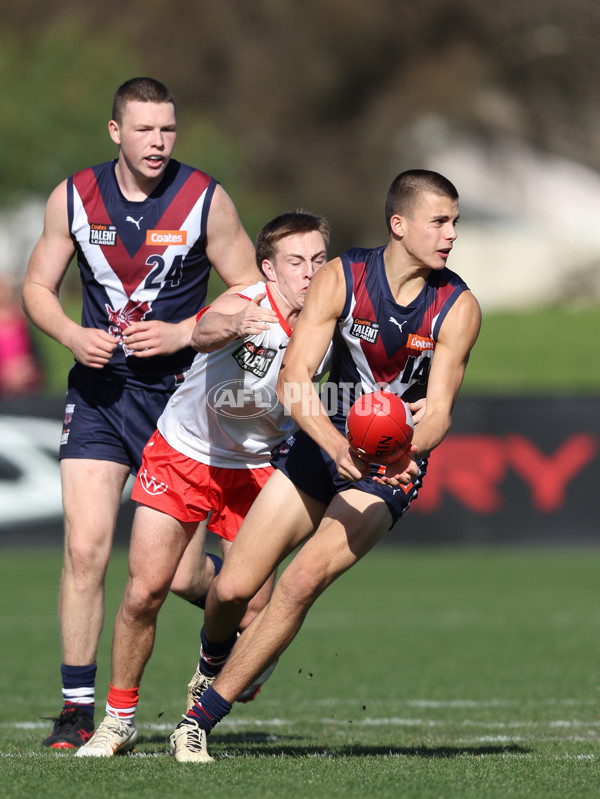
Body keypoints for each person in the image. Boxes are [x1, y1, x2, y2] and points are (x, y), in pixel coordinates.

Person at [166, 168, 482, 763]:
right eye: (439, 221)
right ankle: (212, 664)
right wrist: (335, 447)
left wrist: (407, 451)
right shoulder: (343, 278)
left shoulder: (458, 307)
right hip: (321, 441)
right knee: (233, 586)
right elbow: (294, 379)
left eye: (454, 223)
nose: (450, 235)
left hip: (391, 466)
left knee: (301, 582)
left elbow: (439, 411)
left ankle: (197, 722)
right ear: (399, 224)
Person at [21, 77, 261, 749]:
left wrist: (185, 332)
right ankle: (75, 707)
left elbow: (253, 295)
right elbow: (36, 288)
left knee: (180, 575)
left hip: (179, 404)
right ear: (115, 132)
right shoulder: (72, 197)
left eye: (168, 130)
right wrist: (72, 336)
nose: (159, 142)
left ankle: (241, 614)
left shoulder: (205, 200)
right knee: (85, 546)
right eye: (146, 129)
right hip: (98, 396)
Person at [75, 210, 333, 757]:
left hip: (260, 468)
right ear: (269, 268)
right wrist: (235, 323)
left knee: (251, 603)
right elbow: (203, 329)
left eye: (317, 260)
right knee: (146, 589)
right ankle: (117, 721)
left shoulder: (329, 326)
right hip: (183, 454)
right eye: (296, 261)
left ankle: (210, 666)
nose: (309, 272)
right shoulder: (246, 301)